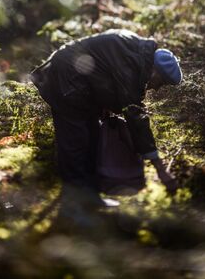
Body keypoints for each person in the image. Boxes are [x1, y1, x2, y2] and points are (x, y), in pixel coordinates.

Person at [30, 29, 181, 208]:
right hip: (65, 82)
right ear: (156, 72)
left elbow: (107, 80)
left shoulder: (136, 55)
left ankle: (91, 197)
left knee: (94, 139)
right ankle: (73, 204)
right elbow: (135, 114)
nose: (156, 89)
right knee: (75, 143)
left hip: (79, 86)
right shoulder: (132, 61)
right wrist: (160, 168)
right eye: (161, 83)